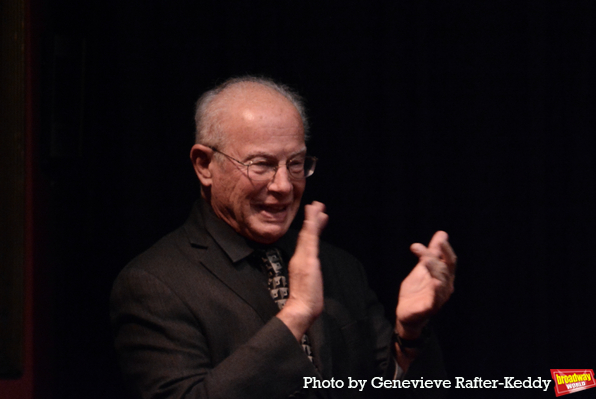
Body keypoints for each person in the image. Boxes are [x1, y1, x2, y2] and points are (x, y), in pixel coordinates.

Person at [110, 76, 456, 399]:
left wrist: (408, 334)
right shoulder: (154, 284)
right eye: (261, 164)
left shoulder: (337, 266)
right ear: (204, 165)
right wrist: (295, 316)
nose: (284, 186)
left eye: (296, 163)